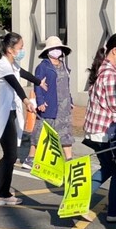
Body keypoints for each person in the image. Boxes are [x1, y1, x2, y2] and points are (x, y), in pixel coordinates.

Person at [0, 32, 47, 209]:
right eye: (20, 48)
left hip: (11, 112)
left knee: (11, 155)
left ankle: (3, 193)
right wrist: (26, 100)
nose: (22, 51)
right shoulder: (1, 65)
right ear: (9, 49)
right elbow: (14, 82)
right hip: (2, 116)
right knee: (11, 155)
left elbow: (21, 73)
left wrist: (39, 82)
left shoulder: (11, 63)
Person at [83, 33, 116, 223]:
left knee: (109, 168)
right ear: (115, 51)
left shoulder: (103, 70)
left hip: (97, 129)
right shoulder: (110, 74)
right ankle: (112, 212)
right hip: (104, 131)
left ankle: (80, 201)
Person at [22, 36, 74, 169]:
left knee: (65, 133)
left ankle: (69, 161)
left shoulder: (64, 66)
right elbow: (38, 85)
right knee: (41, 133)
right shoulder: (43, 67)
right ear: (48, 51)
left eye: (58, 48)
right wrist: (40, 101)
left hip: (64, 106)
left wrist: (71, 100)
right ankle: (31, 158)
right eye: (53, 48)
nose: (56, 51)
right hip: (49, 105)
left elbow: (67, 85)